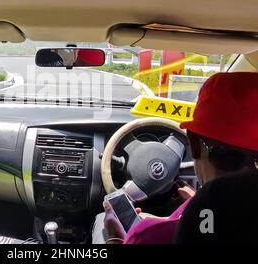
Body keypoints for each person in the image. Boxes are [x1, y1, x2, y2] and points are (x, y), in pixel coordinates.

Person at [96, 72, 258, 244]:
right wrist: (195, 201)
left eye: (225, 155)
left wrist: (114, 238)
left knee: (101, 222)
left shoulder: (150, 236)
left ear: (193, 143)